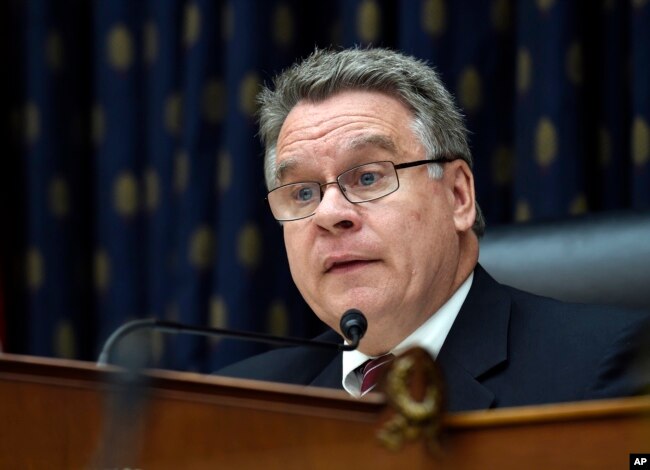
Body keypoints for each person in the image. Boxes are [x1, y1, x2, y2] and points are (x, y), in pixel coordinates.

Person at [218, 47, 649, 412]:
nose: (329, 213)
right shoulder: (240, 405)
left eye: (368, 177)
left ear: (459, 195)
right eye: (303, 193)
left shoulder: (608, 366)